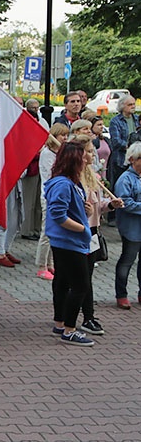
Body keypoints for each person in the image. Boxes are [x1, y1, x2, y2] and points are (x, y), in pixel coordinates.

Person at [45, 141, 95, 346]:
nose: (86, 161)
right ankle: (70, 329)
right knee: (80, 285)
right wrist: (83, 228)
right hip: (69, 242)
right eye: (82, 158)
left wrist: (86, 212)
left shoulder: (67, 182)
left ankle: (60, 322)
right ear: (74, 160)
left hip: (64, 241)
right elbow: (58, 214)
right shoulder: (64, 184)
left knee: (63, 282)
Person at [76, 135, 121, 335]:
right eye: (89, 151)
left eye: (93, 151)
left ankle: (88, 316)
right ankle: (65, 317)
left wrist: (110, 205)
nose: (93, 155)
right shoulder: (70, 178)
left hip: (92, 232)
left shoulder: (92, 176)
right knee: (75, 278)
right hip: (76, 232)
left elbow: (99, 206)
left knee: (87, 277)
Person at [35, 124, 69, 280]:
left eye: (66, 135)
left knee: (55, 231)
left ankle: (50, 264)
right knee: (46, 231)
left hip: (59, 196)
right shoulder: (47, 154)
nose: (65, 138)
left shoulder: (60, 153)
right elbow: (50, 175)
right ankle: (41, 265)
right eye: (62, 135)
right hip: (49, 196)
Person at [0, 145, 24, 268]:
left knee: (14, 222)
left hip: (15, 190)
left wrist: (18, 173)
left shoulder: (15, 151)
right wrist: (8, 175)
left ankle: (6, 249)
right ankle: (0, 254)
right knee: (0, 222)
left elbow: (23, 169)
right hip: (1, 192)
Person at [113, 142, 141, 310]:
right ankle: (121, 294)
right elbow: (125, 203)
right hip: (131, 229)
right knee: (127, 261)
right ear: (132, 160)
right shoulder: (125, 179)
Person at [108, 95, 138, 191]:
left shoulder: (137, 119)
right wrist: (132, 148)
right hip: (121, 160)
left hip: (137, 160)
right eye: (130, 104)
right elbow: (116, 141)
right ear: (122, 106)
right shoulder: (115, 121)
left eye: (134, 104)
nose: (133, 106)